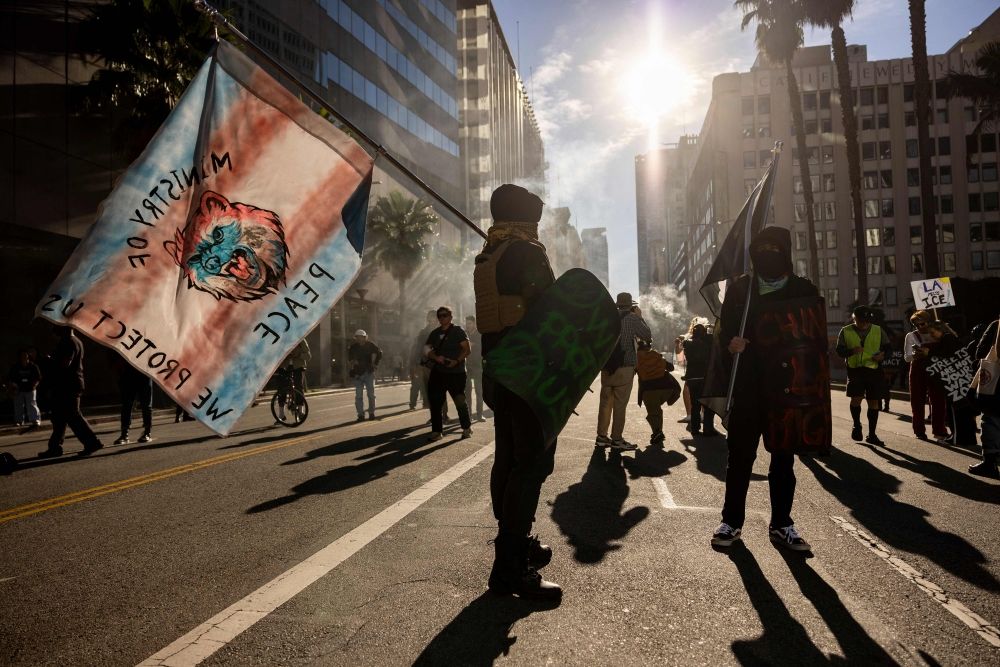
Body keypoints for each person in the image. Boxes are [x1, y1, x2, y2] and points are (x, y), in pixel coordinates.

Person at [474, 183, 560, 600]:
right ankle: (511, 568)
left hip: (498, 372)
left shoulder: (487, 256)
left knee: (508, 461)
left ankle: (519, 546)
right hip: (528, 375)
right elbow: (551, 311)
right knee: (530, 467)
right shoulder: (527, 253)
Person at [711, 226, 819, 552]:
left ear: (786, 251)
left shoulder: (802, 289)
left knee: (784, 460)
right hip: (747, 389)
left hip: (786, 392)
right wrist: (733, 344)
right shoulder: (740, 291)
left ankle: (782, 524)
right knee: (740, 458)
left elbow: (812, 340)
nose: (768, 253)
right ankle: (731, 522)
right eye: (762, 247)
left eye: (775, 247)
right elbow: (724, 334)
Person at [595, 292, 652, 451]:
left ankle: (601, 437)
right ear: (631, 305)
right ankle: (617, 439)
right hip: (625, 367)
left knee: (605, 403)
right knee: (620, 405)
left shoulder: (606, 318)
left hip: (607, 367)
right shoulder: (633, 319)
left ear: (617, 304)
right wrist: (640, 317)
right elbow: (647, 335)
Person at [38, 327, 103, 458]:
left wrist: (48, 361)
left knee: (73, 416)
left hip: (67, 385)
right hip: (68, 384)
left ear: (64, 328)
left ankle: (92, 443)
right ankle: (55, 447)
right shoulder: (76, 341)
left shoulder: (68, 342)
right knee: (59, 418)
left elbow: (65, 363)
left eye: (57, 325)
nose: (53, 329)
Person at [835, 306, 890, 446]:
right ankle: (856, 425)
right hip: (855, 371)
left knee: (873, 402)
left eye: (867, 321)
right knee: (856, 399)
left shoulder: (878, 330)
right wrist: (851, 351)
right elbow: (839, 351)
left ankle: (872, 435)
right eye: (861, 321)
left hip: (874, 370)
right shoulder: (846, 331)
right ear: (855, 319)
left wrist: (882, 356)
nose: (864, 324)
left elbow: (888, 348)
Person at [424, 306, 472, 441]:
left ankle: (466, 428)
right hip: (438, 372)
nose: (441, 318)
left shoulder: (458, 331)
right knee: (435, 402)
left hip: (456, 372)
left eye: (444, 315)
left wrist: (456, 361)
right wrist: (435, 357)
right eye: (439, 316)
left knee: (459, 401)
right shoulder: (434, 333)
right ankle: (437, 431)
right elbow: (426, 348)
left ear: (451, 317)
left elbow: (467, 349)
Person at [904, 310, 949, 441]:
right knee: (917, 401)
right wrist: (915, 355)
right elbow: (906, 357)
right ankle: (919, 431)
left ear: (929, 322)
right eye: (916, 325)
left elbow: (951, 344)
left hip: (935, 369)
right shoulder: (911, 336)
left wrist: (944, 328)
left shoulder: (937, 333)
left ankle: (939, 430)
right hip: (918, 369)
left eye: (922, 324)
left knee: (938, 401)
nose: (919, 327)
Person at [636, 340, 681, 445]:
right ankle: (658, 432)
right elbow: (671, 368)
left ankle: (657, 432)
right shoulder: (656, 355)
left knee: (653, 412)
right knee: (657, 410)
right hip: (667, 389)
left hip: (648, 390)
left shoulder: (636, 358)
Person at [970, 317, 999, 478]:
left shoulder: (996, 325)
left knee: (991, 420)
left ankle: (990, 462)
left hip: (995, 384)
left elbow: (980, 353)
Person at [682, 323, 717, 436]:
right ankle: (708, 428)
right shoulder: (708, 342)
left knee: (695, 405)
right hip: (705, 377)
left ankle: (695, 428)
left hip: (692, 377)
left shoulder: (687, 343)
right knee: (707, 405)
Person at [113, 358, 153, 445]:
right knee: (127, 404)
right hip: (128, 372)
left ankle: (147, 432)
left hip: (144, 371)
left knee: (146, 404)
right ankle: (124, 434)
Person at [348, 329, 382, 421]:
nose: (359, 339)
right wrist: (353, 364)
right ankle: (360, 415)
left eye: (361, 337)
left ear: (364, 337)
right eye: (357, 337)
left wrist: (375, 364)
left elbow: (379, 353)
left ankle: (371, 413)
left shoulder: (371, 345)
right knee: (358, 396)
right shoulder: (353, 347)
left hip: (369, 373)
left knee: (371, 395)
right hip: (358, 374)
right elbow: (350, 360)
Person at [275, 338, 310, 424]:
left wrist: (298, 354)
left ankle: (301, 410)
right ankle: (281, 415)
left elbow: (308, 356)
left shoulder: (301, 340)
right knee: (281, 389)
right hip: (284, 367)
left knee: (298, 387)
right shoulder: (281, 340)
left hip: (298, 367)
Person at [8, 348, 41, 429]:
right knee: (18, 405)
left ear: (28, 356)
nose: (24, 356)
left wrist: (34, 386)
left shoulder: (33, 366)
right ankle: (19, 421)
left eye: (25, 355)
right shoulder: (16, 366)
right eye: (22, 355)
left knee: (32, 404)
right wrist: (13, 387)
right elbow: (11, 378)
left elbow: (38, 378)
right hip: (19, 389)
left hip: (30, 389)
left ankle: (35, 420)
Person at [464, 315, 486, 422]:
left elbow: (483, 348)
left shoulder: (479, 334)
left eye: (470, 323)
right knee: (467, 392)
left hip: (477, 366)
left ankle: (479, 414)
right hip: (466, 366)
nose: (468, 326)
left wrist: (474, 345)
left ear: (474, 323)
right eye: (467, 323)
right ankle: (468, 415)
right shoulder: (464, 334)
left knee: (479, 392)